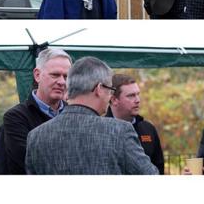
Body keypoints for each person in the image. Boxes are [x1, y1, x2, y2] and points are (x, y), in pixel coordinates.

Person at [25, 57, 158, 175]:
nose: (110, 96)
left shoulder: (35, 136)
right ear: (99, 89)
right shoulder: (120, 131)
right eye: (110, 90)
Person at [0, 48, 72, 174]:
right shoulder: (16, 117)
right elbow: (30, 162)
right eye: (55, 75)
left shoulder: (73, 114)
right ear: (37, 75)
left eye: (66, 76)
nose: (62, 82)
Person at [106, 74, 164, 174]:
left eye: (138, 94)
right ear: (114, 100)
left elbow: (159, 168)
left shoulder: (148, 129)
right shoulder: (101, 130)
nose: (138, 100)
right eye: (131, 96)